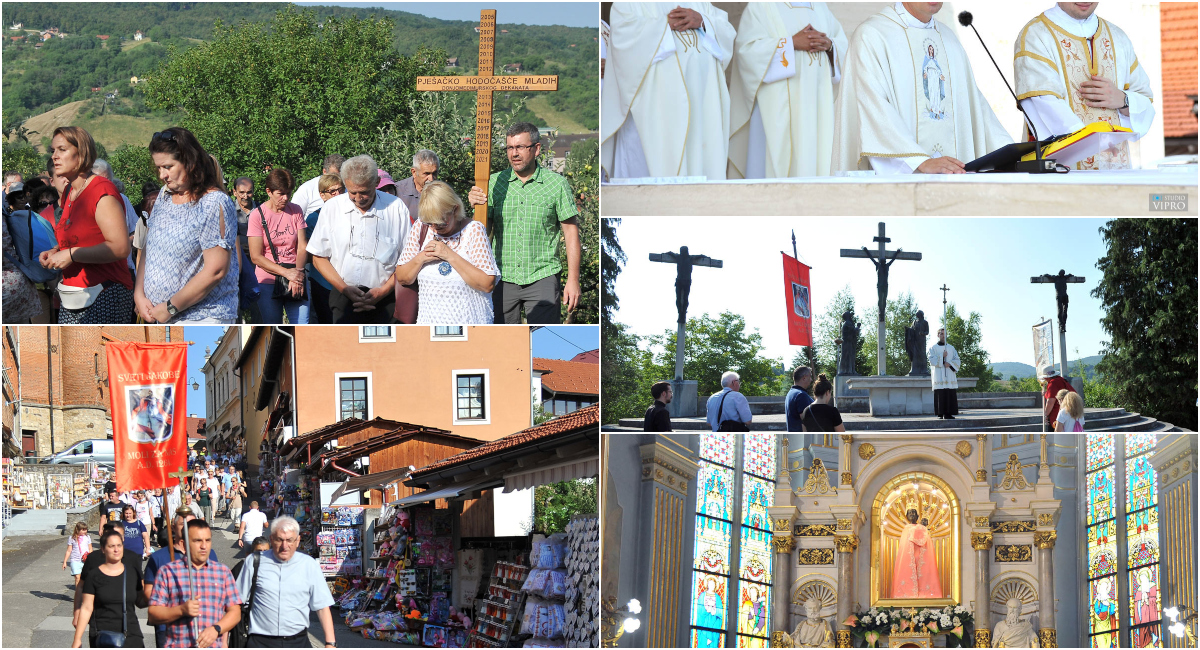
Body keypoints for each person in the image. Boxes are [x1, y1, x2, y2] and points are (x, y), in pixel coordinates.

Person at [832, 3, 1013, 174]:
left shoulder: (949, 40)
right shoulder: (872, 36)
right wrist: (918, 160)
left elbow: (975, 106)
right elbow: (872, 107)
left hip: (957, 181)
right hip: (902, 183)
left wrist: (1011, 150)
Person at [601, 3, 736, 180]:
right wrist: (663, 26)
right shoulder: (626, 5)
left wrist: (703, 21)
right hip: (656, 109)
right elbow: (624, 37)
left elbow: (726, 29)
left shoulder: (701, 4)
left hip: (703, 104)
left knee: (702, 165)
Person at [1014, 2, 1154, 170]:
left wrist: (1124, 100)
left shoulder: (1118, 38)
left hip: (1116, 168)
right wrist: (1096, 141)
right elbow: (1043, 103)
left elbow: (1144, 100)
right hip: (1061, 171)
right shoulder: (1036, 35)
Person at [467, 122, 582, 324]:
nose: (514, 154)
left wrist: (573, 281)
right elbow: (480, 232)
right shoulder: (493, 183)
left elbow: (571, 234)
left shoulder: (557, 184)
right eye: (510, 148)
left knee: (543, 336)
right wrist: (474, 206)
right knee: (502, 341)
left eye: (520, 147)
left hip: (543, 276)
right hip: (501, 277)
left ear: (536, 149)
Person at [728, 2, 847, 178]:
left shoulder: (819, 7)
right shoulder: (761, 7)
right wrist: (790, 43)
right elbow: (747, 52)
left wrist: (830, 46)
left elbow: (843, 45)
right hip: (777, 108)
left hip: (817, 105)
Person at [137, 127, 239, 323]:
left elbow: (216, 270)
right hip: (160, 317)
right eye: (159, 168)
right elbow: (149, 248)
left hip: (202, 318)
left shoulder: (213, 203)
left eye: (168, 167)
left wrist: (170, 307)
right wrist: (139, 294)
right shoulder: (163, 196)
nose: (162, 175)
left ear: (190, 162)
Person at [38, 127, 134, 323]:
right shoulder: (68, 193)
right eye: (53, 150)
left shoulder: (101, 190)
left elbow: (121, 247)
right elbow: (78, 239)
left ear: (81, 152)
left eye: (62, 150)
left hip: (105, 293)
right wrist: (56, 250)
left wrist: (71, 255)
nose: (54, 156)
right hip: (74, 295)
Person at [306, 155, 409, 323]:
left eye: (364, 192)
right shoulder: (332, 208)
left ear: (376, 183)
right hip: (343, 299)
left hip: (387, 300)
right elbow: (318, 257)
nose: (358, 198)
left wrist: (382, 292)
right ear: (345, 183)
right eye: (352, 192)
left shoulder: (396, 208)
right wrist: (344, 289)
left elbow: (407, 262)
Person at [394, 181, 499, 323]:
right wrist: (421, 258)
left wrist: (449, 255)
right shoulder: (421, 226)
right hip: (429, 329)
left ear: (455, 210)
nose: (435, 228)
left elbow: (487, 284)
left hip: (470, 326)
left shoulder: (474, 230)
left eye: (441, 223)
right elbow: (402, 277)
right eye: (430, 223)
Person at [236, 516, 337, 648]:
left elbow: (322, 606)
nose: (285, 546)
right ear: (271, 539)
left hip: (297, 642)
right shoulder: (254, 562)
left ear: (297, 540)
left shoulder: (309, 565)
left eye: (289, 540)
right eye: (279, 540)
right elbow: (235, 602)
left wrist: (330, 643)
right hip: (260, 642)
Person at [148, 519, 242, 648]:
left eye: (207, 540)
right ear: (184, 544)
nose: (204, 546)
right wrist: (180, 610)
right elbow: (153, 614)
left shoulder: (223, 572)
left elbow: (235, 612)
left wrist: (217, 629)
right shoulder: (168, 572)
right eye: (198, 541)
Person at [145, 507, 220, 647]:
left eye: (191, 523)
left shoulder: (209, 554)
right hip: (169, 627)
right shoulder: (158, 557)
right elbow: (149, 593)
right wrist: (176, 605)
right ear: (173, 527)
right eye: (183, 524)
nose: (188, 527)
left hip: (205, 625)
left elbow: (220, 596)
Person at [247, 167, 309, 324]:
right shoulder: (257, 215)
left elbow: (302, 246)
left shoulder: (296, 210)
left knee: (302, 325)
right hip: (267, 280)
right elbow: (256, 256)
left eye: (288, 193)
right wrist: (286, 273)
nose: (286, 198)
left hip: (296, 276)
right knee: (273, 328)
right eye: (281, 193)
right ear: (269, 191)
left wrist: (298, 275)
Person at [72, 528, 146, 648]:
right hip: (104, 634)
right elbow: (86, 607)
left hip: (131, 634)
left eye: (119, 545)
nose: (116, 550)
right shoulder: (94, 575)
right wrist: (77, 639)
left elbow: (140, 601)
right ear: (103, 549)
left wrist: (155, 594)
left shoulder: (132, 573)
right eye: (111, 546)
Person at [303, 174, 344, 324]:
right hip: (322, 280)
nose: (338, 194)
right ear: (322, 195)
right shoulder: (313, 219)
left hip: (346, 279)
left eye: (341, 190)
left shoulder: (351, 215)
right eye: (332, 191)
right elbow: (309, 252)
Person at [891, 502, 941, 598]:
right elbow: (912, 538)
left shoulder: (922, 528)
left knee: (924, 574)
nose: (912, 515)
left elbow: (921, 540)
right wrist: (921, 527)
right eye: (910, 513)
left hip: (921, 556)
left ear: (917, 515)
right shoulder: (906, 529)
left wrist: (922, 527)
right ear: (906, 515)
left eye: (914, 512)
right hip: (909, 558)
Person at [231, 176, 263, 323]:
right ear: (234, 192)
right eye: (242, 192)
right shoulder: (229, 211)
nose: (245, 196)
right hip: (236, 262)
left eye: (249, 192)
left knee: (258, 300)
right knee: (235, 301)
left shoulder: (262, 210)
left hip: (258, 263)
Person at [396, 150, 439, 221]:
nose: (431, 179)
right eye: (426, 174)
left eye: (434, 173)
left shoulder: (442, 192)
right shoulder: (398, 192)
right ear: (414, 172)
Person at [928, 327, 960, 419]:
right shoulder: (933, 348)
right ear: (938, 335)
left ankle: (948, 413)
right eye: (941, 334)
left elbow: (957, 360)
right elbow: (931, 360)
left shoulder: (951, 348)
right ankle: (940, 413)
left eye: (944, 334)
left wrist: (949, 364)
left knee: (949, 393)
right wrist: (942, 357)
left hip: (949, 374)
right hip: (939, 375)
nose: (943, 336)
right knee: (940, 393)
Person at [785, 366, 815, 432]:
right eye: (810, 377)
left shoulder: (791, 393)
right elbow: (807, 421)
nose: (811, 380)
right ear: (804, 378)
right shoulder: (801, 395)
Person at [63, 521, 93, 587]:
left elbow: (90, 548)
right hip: (75, 560)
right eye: (83, 530)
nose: (85, 531)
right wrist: (65, 562)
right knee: (77, 578)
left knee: (85, 578)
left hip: (85, 560)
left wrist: (90, 557)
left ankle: (84, 593)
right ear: (78, 529)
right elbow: (69, 550)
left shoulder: (87, 537)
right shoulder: (72, 538)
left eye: (86, 529)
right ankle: (78, 594)